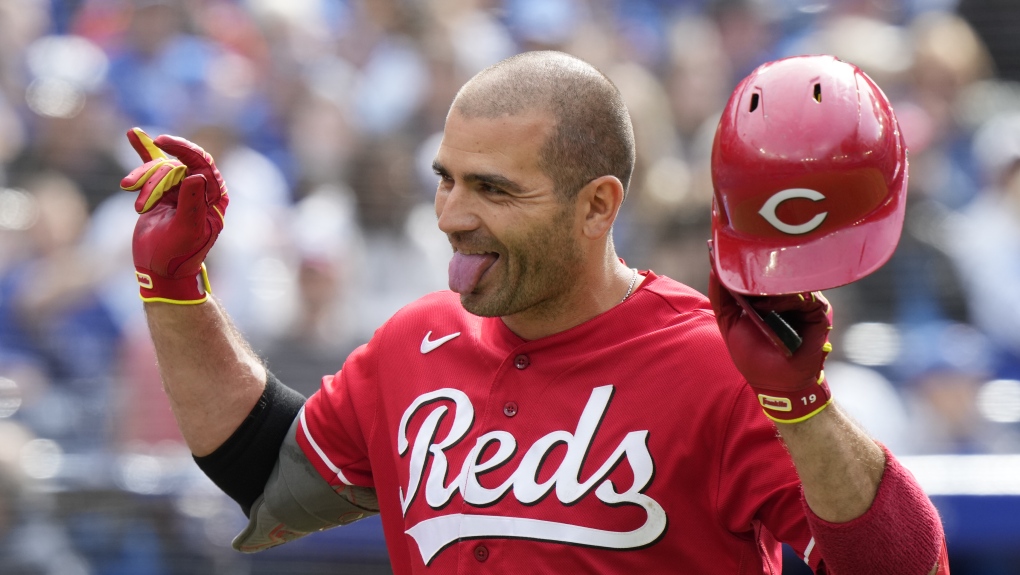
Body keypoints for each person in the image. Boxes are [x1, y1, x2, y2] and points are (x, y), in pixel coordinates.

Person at [120, 51, 947, 573]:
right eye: (447, 177)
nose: (450, 213)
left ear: (597, 206)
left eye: (493, 189)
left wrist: (801, 406)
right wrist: (176, 286)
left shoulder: (720, 364)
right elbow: (265, 474)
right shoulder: (414, 343)